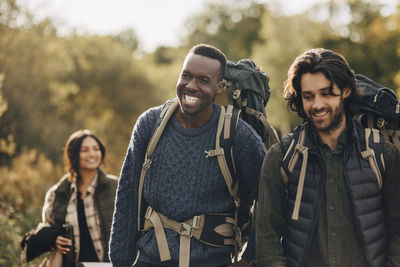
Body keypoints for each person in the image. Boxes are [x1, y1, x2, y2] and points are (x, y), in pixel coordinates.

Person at [109, 44, 266, 267]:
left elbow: (271, 197)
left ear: (219, 86)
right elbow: (127, 196)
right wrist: (120, 262)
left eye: (203, 80)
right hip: (150, 258)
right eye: (186, 76)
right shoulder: (150, 124)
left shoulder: (238, 135)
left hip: (212, 261)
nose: (191, 86)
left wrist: (249, 258)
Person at [256, 48, 400, 267]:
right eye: (308, 96)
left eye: (326, 93)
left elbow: (397, 230)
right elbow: (267, 239)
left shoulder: (381, 154)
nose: (317, 105)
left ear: (346, 92)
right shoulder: (281, 158)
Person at [41, 129, 117, 264]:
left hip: (108, 264)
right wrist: (53, 240)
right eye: (85, 150)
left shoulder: (116, 187)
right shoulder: (57, 193)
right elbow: (47, 228)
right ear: (73, 155)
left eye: (96, 149)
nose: (92, 154)